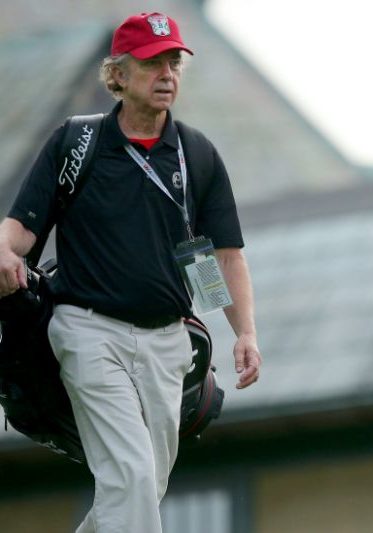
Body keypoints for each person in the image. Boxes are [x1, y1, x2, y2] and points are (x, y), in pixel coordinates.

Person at [0, 12, 261, 533]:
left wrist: (246, 332)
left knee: (140, 487)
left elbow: (224, 256)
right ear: (117, 75)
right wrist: (3, 251)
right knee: (134, 477)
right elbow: (20, 232)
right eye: (151, 63)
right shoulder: (76, 144)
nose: (167, 74)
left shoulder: (198, 155)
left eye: (174, 63)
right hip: (89, 332)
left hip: (169, 342)